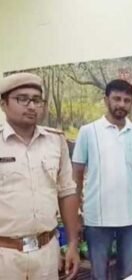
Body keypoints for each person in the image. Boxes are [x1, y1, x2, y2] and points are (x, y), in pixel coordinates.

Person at [72, 79, 132, 280]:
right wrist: (76, 215)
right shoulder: (88, 132)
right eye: (117, 99)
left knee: (127, 274)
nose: (121, 104)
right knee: (99, 275)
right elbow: (76, 178)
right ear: (106, 100)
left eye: (127, 100)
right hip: (97, 219)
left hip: (131, 219)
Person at [0, 72, 80, 279]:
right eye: (22, 99)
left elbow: (67, 192)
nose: (31, 106)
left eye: (37, 100)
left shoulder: (55, 141)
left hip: (46, 252)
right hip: (5, 255)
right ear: (3, 103)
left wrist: (72, 243)